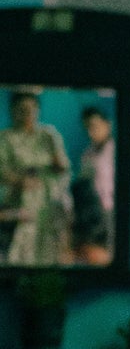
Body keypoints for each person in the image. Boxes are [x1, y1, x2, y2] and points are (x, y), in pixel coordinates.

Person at [0, 88, 72, 264]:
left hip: (48, 204)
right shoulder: (6, 138)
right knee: (20, 256)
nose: (27, 114)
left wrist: (53, 152)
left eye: (31, 109)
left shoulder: (48, 134)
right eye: (22, 109)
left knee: (48, 254)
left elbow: (63, 168)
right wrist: (20, 180)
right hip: (19, 206)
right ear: (13, 110)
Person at [70, 104, 116, 264]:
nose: (91, 132)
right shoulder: (87, 155)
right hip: (93, 213)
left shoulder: (117, 151)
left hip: (113, 210)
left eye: (95, 126)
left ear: (107, 124)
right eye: (87, 128)